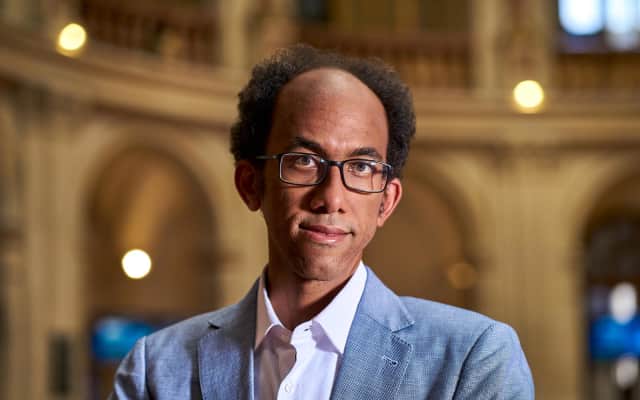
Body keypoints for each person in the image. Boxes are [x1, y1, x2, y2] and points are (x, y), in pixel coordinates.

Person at [110, 45, 534, 399]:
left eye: (362, 167)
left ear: (386, 202)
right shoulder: (155, 370)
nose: (331, 197)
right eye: (304, 161)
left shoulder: (472, 359)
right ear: (250, 184)